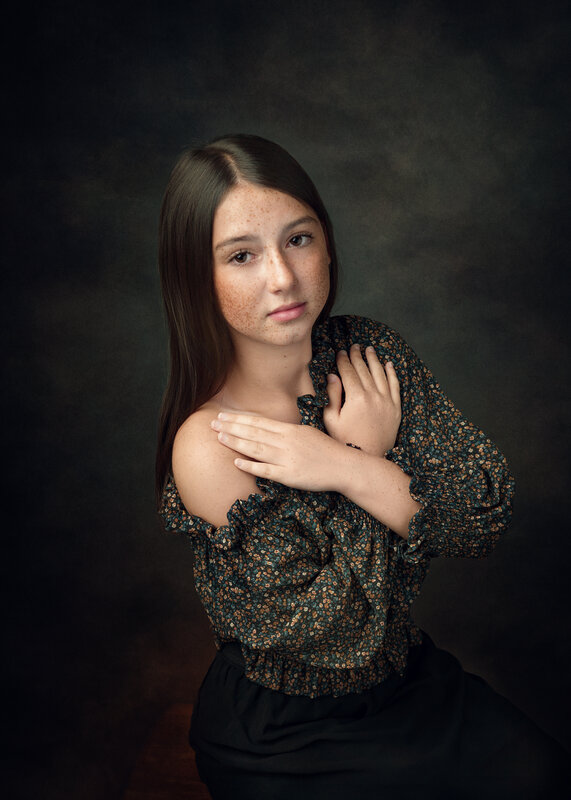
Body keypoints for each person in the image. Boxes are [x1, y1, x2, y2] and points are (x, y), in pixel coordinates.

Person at [156, 134, 568, 799]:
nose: (283, 278)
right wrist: (364, 462)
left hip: (408, 684)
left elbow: (479, 518)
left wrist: (343, 466)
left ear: (326, 242)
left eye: (298, 239)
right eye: (241, 255)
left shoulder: (365, 352)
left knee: (543, 774)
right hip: (285, 734)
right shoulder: (210, 443)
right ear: (195, 277)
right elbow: (343, 631)